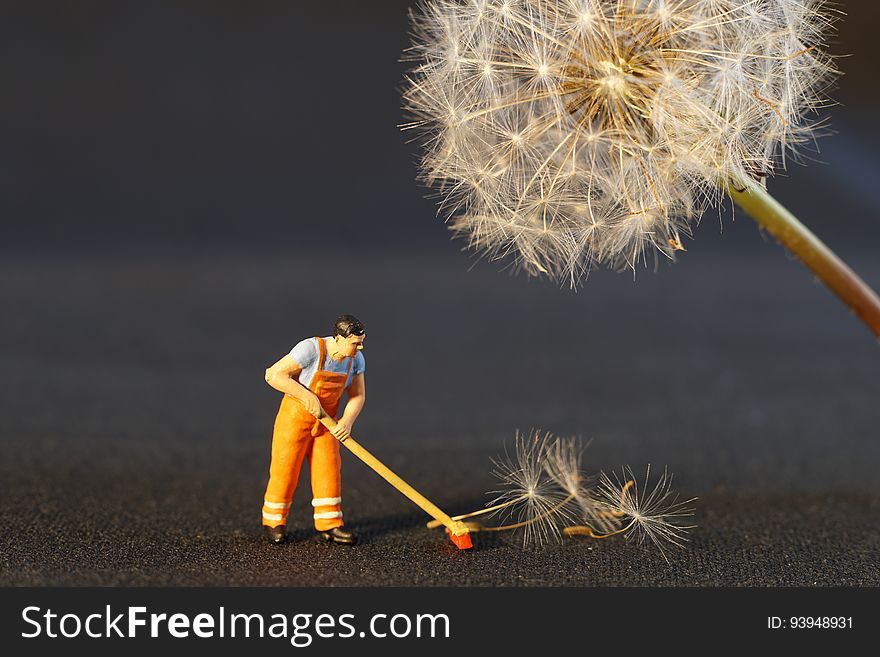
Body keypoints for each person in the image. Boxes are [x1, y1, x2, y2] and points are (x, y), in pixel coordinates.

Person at [261, 315, 366, 545]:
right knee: (285, 469)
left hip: (327, 424)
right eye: (355, 343)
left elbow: (358, 395)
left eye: (361, 342)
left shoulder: (355, 360)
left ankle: (329, 524)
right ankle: (274, 521)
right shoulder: (311, 349)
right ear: (338, 339)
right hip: (294, 421)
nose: (360, 347)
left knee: (328, 471)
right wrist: (305, 395)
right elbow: (273, 374)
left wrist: (346, 422)